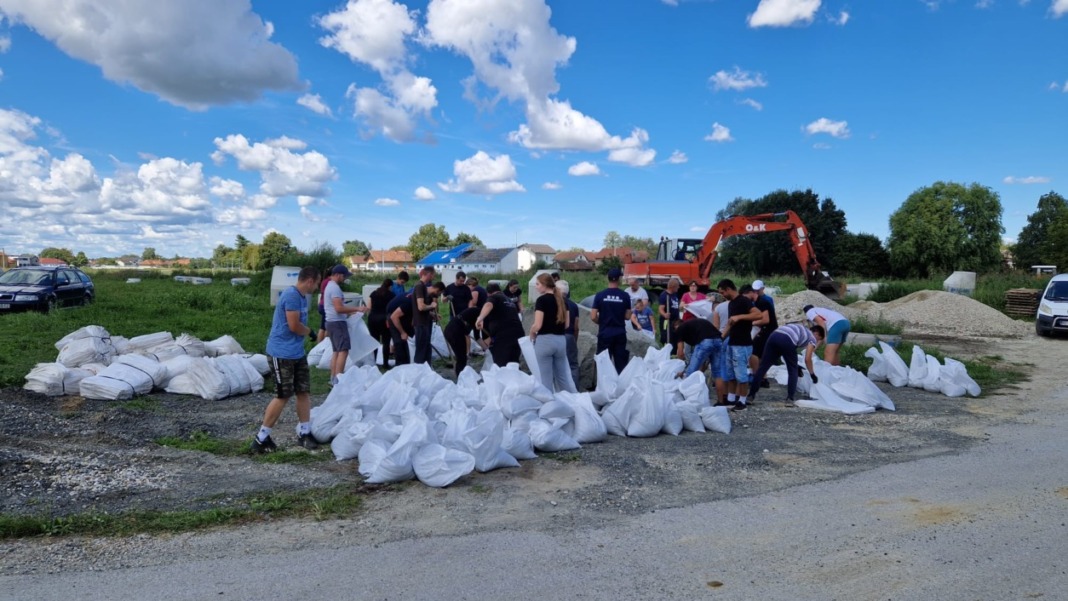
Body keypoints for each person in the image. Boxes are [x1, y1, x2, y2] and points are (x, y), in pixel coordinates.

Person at [251, 266, 321, 453]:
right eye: (317, 283)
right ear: (310, 281)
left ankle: (304, 433)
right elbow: (293, 326)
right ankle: (261, 439)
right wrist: (310, 332)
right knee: (282, 395)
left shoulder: (302, 297)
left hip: (296, 353)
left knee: (303, 391)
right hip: (281, 353)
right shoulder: (291, 295)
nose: (317, 287)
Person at [748, 323, 825, 407]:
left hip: (774, 335)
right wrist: (812, 374)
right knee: (793, 371)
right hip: (787, 339)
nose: (817, 341)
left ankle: (751, 396)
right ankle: (790, 399)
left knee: (763, 368)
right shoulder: (812, 338)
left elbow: (785, 351)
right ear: (817, 334)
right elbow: (807, 359)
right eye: (819, 339)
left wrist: (795, 364)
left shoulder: (800, 328)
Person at [530, 273, 577, 392]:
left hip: (545, 341)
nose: (536, 287)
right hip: (561, 341)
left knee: (546, 379)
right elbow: (566, 325)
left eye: (538, 284)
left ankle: (549, 407)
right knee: (562, 377)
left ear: (545, 285)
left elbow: (537, 325)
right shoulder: (562, 301)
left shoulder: (541, 300)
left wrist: (531, 333)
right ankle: (570, 402)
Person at [719, 280, 761, 410]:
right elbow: (730, 323)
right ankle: (731, 399)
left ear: (728, 289)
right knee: (731, 373)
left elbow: (758, 314)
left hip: (742, 344)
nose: (722, 295)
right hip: (732, 342)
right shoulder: (731, 304)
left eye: (722, 292)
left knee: (741, 374)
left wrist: (740, 317)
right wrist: (721, 338)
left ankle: (742, 401)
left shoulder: (743, 301)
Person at [323, 264, 368, 385]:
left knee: (336, 351)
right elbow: (338, 308)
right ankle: (338, 381)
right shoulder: (335, 288)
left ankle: (333, 378)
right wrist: (357, 309)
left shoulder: (329, 286)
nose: (345, 278)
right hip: (337, 324)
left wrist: (353, 311)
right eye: (344, 276)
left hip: (331, 322)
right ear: (337, 275)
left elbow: (337, 308)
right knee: (343, 351)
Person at [591, 268, 632, 374]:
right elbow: (628, 316)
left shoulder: (600, 295)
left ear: (607, 278)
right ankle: (621, 387)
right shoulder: (625, 296)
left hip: (605, 333)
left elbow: (593, 316)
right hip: (620, 333)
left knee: (603, 363)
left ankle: (603, 387)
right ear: (619, 279)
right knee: (621, 364)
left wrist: (602, 322)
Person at [476, 282, 524, 367]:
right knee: (513, 363)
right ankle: (514, 379)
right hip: (518, 333)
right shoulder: (509, 300)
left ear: (488, 293)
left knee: (501, 363)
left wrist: (480, 318)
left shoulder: (494, 297)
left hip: (504, 335)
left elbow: (488, 304)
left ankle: (503, 379)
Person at [746, 280, 778, 380]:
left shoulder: (764, 301)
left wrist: (751, 323)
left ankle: (759, 376)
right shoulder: (758, 301)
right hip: (765, 329)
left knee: (754, 351)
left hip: (766, 329)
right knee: (759, 353)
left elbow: (766, 319)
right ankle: (761, 375)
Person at [411, 267, 441, 365]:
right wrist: (432, 306)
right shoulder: (419, 286)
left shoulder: (423, 286)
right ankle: (419, 370)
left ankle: (427, 369)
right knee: (421, 349)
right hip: (420, 323)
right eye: (433, 275)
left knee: (426, 347)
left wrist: (432, 313)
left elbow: (424, 309)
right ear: (428, 274)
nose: (433, 277)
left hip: (425, 321)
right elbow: (421, 307)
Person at [366, 278, 395, 368]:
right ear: (390, 286)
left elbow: (369, 307)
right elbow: (393, 308)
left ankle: (374, 362)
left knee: (375, 341)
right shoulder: (391, 295)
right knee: (386, 342)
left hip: (373, 319)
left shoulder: (374, 293)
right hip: (385, 319)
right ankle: (385, 364)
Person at [444, 306, 480, 378]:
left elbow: (477, 337)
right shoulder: (476, 312)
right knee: (461, 358)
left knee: (462, 357)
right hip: (454, 332)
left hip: (452, 331)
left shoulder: (476, 317)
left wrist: (486, 349)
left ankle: (460, 375)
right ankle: (460, 378)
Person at [558, 280, 581, 390]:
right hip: (570, 336)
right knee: (573, 365)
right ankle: (574, 390)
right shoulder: (574, 306)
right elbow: (576, 326)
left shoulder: (554, 303)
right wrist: (574, 339)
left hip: (556, 336)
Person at [387, 290, 415, 366]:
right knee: (399, 341)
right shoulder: (408, 303)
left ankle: (406, 363)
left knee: (406, 340)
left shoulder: (413, 299)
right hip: (394, 317)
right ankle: (400, 365)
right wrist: (403, 332)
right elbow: (394, 317)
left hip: (402, 317)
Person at [658, 278, 681, 354]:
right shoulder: (664, 295)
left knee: (675, 339)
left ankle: (674, 354)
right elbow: (661, 309)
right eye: (677, 286)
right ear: (673, 286)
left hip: (675, 321)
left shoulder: (675, 295)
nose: (679, 287)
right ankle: (667, 354)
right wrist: (665, 314)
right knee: (668, 338)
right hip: (667, 322)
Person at [468, 276, 490, 352]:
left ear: (470, 285)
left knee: (478, 334)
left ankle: (487, 350)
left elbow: (473, 303)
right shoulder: (482, 288)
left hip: (479, 314)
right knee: (484, 332)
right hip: (486, 312)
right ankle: (487, 349)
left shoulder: (475, 290)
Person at [315, 274, 331, 343]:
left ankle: (319, 345)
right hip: (326, 305)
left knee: (322, 327)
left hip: (321, 304)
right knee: (327, 327)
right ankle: (324, 345)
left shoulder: (324, 281)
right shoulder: (330, 282)